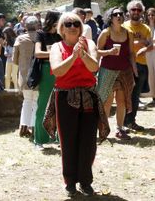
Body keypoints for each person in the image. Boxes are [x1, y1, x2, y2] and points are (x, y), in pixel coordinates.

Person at [43, 13, 109, 197]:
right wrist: (73, 56)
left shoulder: (91, 44)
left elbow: (94, 67)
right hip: (65, 97)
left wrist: (83, 54)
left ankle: (86, 181)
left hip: (88, 96)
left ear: (80, 28)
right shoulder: (57, 47)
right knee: (68, 141)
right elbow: (57, 71)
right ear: (61, 29)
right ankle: (70, 182)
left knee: (88, 140)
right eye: (68, 24)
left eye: (76, 24)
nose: (72, 26)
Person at [96, 7, 136, 140]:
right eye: (115, 14)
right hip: (107, 70)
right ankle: (104, 129)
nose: (118, 16)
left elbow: (131, 53)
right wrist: (108, 52)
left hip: (124, 71)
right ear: (110, 18)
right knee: (107, 101)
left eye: (120, 14)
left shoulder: (128, 33)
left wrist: (134, 69)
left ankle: (120, 129)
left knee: (122, 101)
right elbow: (97, 51)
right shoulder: (105, 33)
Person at [122, 0, 152, 131]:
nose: (136, 12)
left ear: (142, 12)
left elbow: (151, 45)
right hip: (125, 65)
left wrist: (144, 46)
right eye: (133, 9)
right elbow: (123, 44)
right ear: (129, 12)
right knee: (123, 95)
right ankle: (121, 122)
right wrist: (140, 41)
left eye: (139, 10)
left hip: (142, 64)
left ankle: (131, 121)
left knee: (135, 95)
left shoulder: (146, 28)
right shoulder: (123, 26)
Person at [34, 10, 62, 148]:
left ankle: (58, 138)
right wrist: (54, 53)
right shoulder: (41, 34)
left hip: (61, 70)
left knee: (60, 105)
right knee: (44, 105)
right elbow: (38, 53)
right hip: (46, 70)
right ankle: (39, 139)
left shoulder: (61, 35)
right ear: (53, 21)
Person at [13, 16, 40, 138]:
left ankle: (23, 127)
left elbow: (15, 60)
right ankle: (34, 127)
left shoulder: (20, 39)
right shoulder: (41, 38)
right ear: (37, 25)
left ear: (25, 26)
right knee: (36, 102)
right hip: (39, 74)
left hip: (24, 75)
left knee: (27, 101)